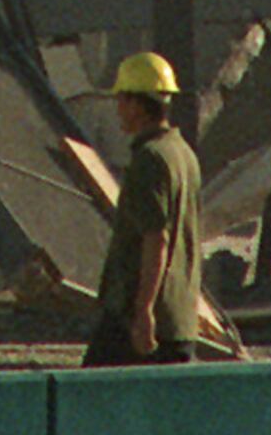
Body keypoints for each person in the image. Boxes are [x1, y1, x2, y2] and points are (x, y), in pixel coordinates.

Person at [84, 50, 204, 367]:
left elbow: (156, 239)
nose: (118, 109)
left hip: (137, 324)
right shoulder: (183, 154)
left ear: (138, 104)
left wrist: (143, 311)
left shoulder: (150, 159)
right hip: (179, 320)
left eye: (122, 100)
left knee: (85, 405)